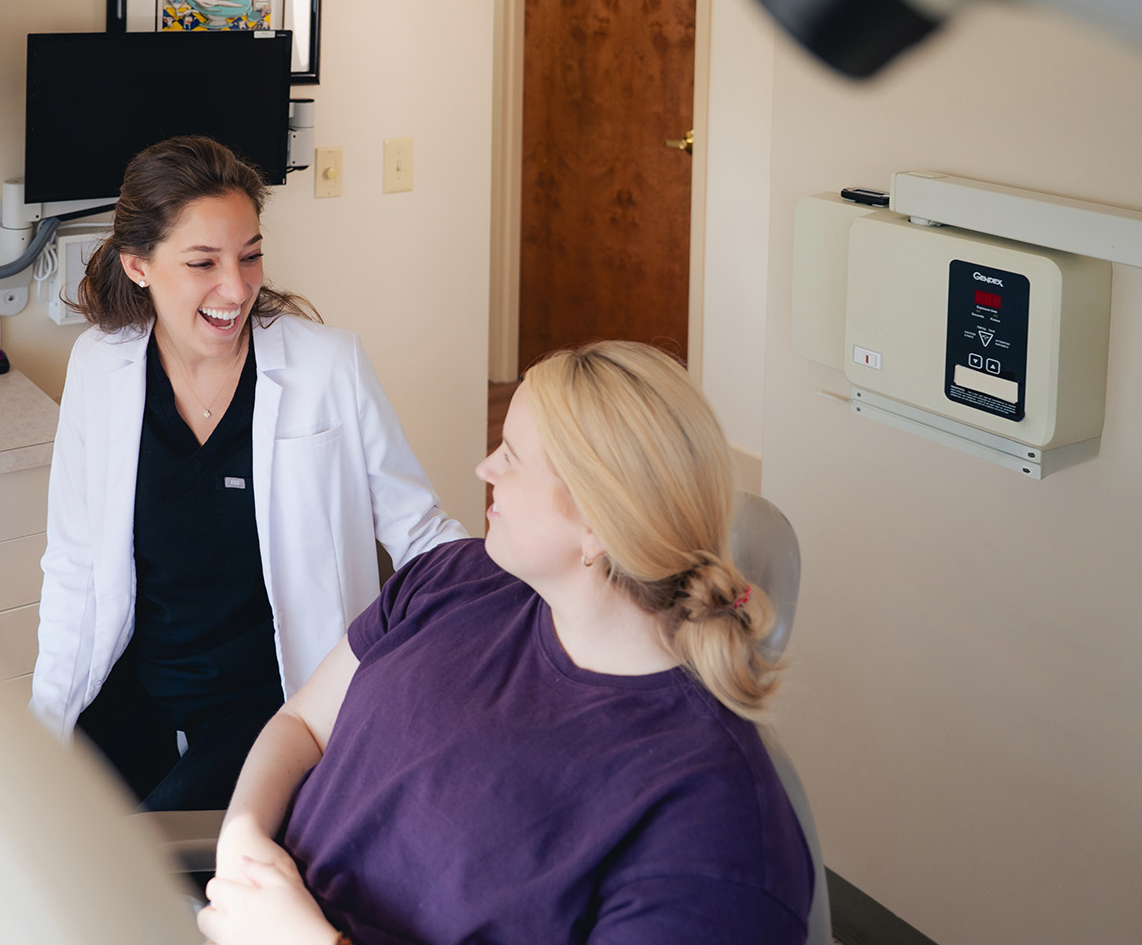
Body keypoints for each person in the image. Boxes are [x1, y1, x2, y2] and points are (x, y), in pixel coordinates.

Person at [197, 341, 814, 945]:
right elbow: (303, 724)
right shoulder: (455, 577)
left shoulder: (715, 824)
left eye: (512, 456)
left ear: (597, 526)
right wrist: (242, 841)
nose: (484, 468)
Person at [31, 134, 466, 809]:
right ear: (139, 265)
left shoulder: (327, 368)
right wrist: (43, 726)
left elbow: (421, 535)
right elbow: (73, 563)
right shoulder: (101, 365)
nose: (236, 288)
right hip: (131, 695)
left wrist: (521, 607)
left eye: (251, 255)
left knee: (145, 874)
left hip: (268, 708)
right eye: (203, 263)